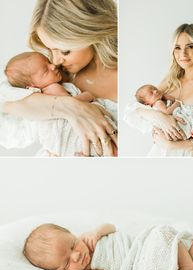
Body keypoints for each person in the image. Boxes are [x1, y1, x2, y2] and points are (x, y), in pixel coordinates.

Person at [0, 0, 117, 157]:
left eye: (65, 51)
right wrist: (70, 106)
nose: (55, 62)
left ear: (92, 32)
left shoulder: (131, 76)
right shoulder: (51, 77)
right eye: (50, 49)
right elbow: (6, 103)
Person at [125, 24, 193, 157]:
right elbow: (132, 110)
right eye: (177, 48)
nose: (183, 54)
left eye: (190, 46)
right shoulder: (170, 81)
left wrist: (171, 145)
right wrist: (158, 117)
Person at [23, 223, 193, 270]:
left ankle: (186, 261)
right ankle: (186, 269)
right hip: (135, 264)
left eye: (72, 245)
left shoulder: (88, 238)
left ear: (72, 235)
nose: (76, 255)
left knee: (162, 232)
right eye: (67, 262)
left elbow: (112, 227)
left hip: (138, 246)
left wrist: (97, 232)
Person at [5, 51, 94, 101]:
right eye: (45, 71)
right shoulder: (53, 88)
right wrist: (88, 95)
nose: (53, 66)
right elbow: (71, 105)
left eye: (48, 61)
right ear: (32, 85)